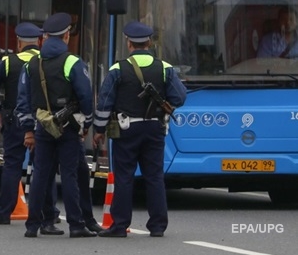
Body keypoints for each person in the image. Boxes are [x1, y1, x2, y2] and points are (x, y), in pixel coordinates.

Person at [93, 21, 187, 238]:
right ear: (150, 42)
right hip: (155, 128)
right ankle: (157, 226)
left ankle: (119, 225)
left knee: (124, 176)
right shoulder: (164, 68)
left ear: (129, 43)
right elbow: (180, 97)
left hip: (126, 130)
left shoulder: (118, 69)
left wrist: (98, 129)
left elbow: (105, 101)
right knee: (154, 176)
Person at [16, 12, 96, 239]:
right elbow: (86, 97)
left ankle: (32, 225)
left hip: (43, 126)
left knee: (41, 175)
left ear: (46, 36)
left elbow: (25, 99)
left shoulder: (33, 62)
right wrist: (86, 123)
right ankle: (76, 225)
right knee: (69, 175)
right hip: (68, 127)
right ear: (66, 35)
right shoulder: (72, 62)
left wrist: (29, 129)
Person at [0, 22, 43, 225]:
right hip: (43, 122)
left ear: (18, 43)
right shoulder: (45, 61)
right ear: (39, 42)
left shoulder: (8, 62)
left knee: (12, 166)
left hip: (14, 121)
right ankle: (47, 214)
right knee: (44, 166)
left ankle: (3, 214)